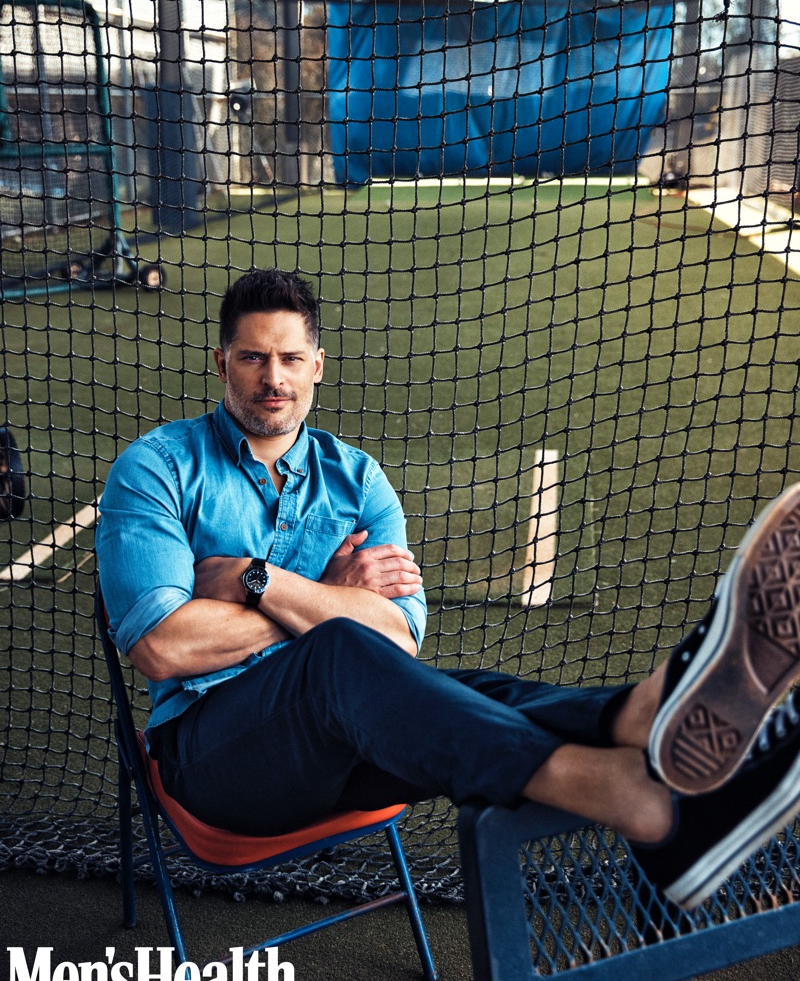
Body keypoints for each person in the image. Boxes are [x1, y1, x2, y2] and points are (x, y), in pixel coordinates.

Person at [96, 267, 800, 913]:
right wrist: (327, 601)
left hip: (347, 743)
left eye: (288, 358)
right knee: (342, 651)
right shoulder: (157, 468)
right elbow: (162, 645)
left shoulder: (358, 479)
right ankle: (626, 792)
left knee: (463, 691)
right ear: (223, 363)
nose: (271, 378)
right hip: (214, 762)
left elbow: (398, 634)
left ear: (316, 366)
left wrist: (265, 583)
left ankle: (636, 715)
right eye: (252, 357)